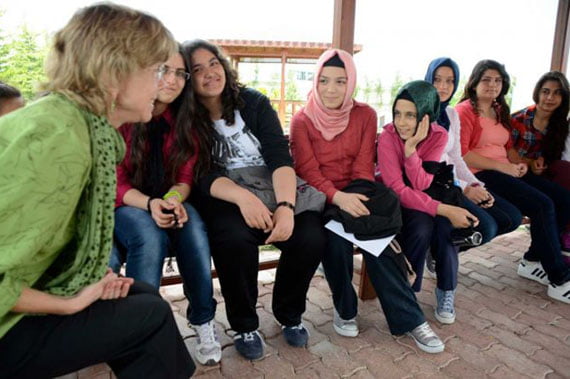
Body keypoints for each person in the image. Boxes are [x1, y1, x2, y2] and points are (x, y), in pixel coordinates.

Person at [0, 4, 195, 378]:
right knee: (149, 318)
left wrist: (87, 280)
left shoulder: (84, 129)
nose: (162, 83)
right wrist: (69, 304)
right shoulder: (58, 137)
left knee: (142, 295)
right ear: (114, 74)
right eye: (155, 70)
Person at [290, 49, 444, 354]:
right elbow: (307, 169)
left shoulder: (365, 115)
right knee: (334, 239)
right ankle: (345, 308)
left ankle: (411, 319)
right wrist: (339, 198)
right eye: (324, 81)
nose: (331, 89)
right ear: (316, 81)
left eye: (340, 81)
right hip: (320, 196)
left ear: (351, 84)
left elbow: (363, 166)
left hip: (359, 188)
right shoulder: (302, 121)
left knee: (379, 240)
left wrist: (356, 198)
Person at [183, 39, 326, 361]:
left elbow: (279, 157)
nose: (209, 73)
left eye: (214, 63)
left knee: (310, 235)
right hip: (223, 190)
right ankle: (245, 324)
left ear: (223, 65)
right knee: (232, 238)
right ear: (188, 78)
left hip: (271, 181)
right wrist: (243, 199)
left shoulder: (253, 103)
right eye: (197, 69)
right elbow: (201, 174)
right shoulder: (187, 117)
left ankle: (289, 313)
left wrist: (287, 209)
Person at [109, 48, 220, 365]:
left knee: (194, 226)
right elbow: (114, 182)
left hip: (166, 198)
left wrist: (172, 202)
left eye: (180, 74)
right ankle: (142, 330)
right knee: (148, 232)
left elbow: (185, 177)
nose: (172, 80)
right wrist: (150, 204)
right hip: (126, 203)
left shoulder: (185, 121)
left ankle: (202, 319)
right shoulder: (122, 115)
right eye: (163, 70)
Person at [456, 59, 570, 304]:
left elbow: (507, 147)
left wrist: (519, 164)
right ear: (475, 82)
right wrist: (503, 167)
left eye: (498, 80)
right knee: (542, 205)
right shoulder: (465, 111)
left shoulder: (499, 109)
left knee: (561, 199)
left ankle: (531, 261)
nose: (492, 85)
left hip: (505, 170)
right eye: (486, 79)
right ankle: (559, 278)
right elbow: (463, 153)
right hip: (482, 173)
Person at [377, 80, 479, 325]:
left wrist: (411, 151)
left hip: (423, 193)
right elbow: (398, 189)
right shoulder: (388, 136)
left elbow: (422, 183)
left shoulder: (437, 135)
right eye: (398, 114)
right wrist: (443, 208)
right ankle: (408, 292)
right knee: (424, 226)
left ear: (426, 115)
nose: (401, 122)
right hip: (393, 200)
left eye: (411, 115)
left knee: (444, 226)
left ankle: (445, 289)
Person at [424, 58, 521, 247]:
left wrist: (476, 185)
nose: (443, 86)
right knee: (486, 227)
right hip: (433, 185)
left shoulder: (450, 114)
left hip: (455, 182)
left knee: (511, 219)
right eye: (437, 79)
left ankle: (444, 250)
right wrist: (464, 188)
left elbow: (456, 157)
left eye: (450, 80)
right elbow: (428, 165)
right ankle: (438, 251)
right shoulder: (420, 113)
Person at [509, 71, 570, 260]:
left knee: (565, 200)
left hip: (538, 176)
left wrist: (541, 165)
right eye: (545, 91)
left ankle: (539, 254)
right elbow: (506, 154)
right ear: (538, 93)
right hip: (513, 175)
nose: (550, 97)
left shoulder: (559, 125)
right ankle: (539, 257)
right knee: (548, 203)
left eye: (557, 93)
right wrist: (529, 163)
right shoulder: (519, 120)